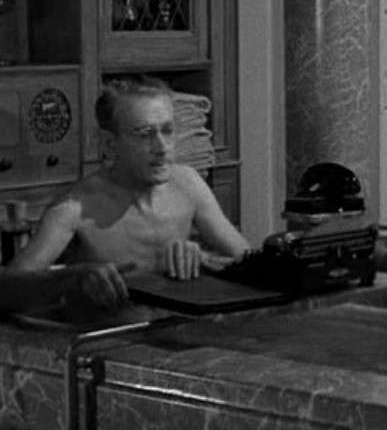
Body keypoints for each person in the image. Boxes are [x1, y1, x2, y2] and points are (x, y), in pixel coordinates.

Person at [0, 74, 250, 313]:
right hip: (106, 336)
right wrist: (72, 278)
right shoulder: (74, 208)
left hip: (174, 332)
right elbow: (6, 291)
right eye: (145, 134)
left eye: (167, 130)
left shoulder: (188, 184)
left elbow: (252, 265)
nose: (162, 147)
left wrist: (204, 261)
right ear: (110, 144)